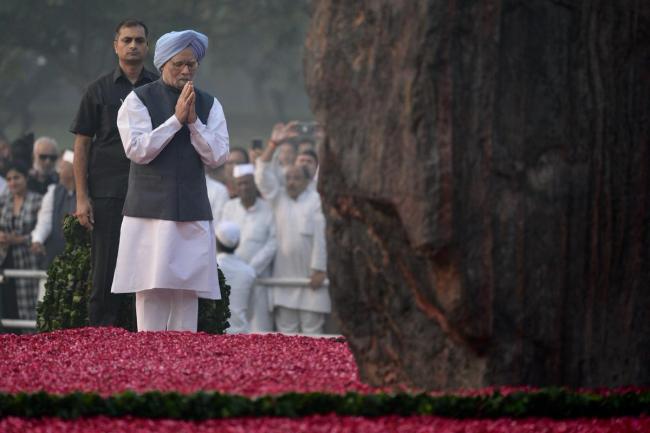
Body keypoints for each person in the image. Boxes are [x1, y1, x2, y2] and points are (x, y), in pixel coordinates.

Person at [111, 29, 229, 332]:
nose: (186, 70)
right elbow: (138, 150)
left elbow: (218, 156)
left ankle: (182, 361)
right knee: (150, 291)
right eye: (179, 64)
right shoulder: (138, 100)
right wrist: (175, 121)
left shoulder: (209, 104)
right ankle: (149, 359)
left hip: (191, 210)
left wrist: (194, 123)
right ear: (163, 63)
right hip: (148, 213)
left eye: (192, 64)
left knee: (186, 294)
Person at [70, 19, 158, 326]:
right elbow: (81, 145)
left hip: (150, 192)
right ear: (116, 46)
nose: (133, 45)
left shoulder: (159, 88)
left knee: (149, 270)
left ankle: (146, 339)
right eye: (127, 40)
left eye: (139, 40)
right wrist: (82, 197)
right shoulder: (98, 90)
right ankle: (101, 340)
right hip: (107, 191)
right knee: (105, 270)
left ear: (147, 46)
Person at [255, 123, 330, 334]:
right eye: (288, 178)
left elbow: (322, 237)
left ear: (307, 181)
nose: (291, 182)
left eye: (297, 178)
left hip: (312, 282)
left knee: (314, 340)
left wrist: (320, 268)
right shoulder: (278, 198)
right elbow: (262, 176)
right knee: (285, 340)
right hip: (284, 282)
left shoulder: (316, 200)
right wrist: (273, 144)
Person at [222, 163, 277, 331]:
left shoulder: (268, 209)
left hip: (259, 279)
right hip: (233, 280)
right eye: (240, 184)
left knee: (260, 329)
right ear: (235, 186)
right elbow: (222, 238)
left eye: (247, 183)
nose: (244, 187)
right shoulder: (229, 208)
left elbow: (272, 242)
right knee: (232, 327)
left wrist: (251, 269)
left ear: (255, 184)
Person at [0, 162, 42, 320]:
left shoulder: (37, 200)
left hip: (28, 261)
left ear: (26, 178)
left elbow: (42, 232)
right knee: (8, 308)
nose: (12, 182)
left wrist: (19, 239)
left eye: (16, 177)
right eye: (9, 179)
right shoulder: (4, 200)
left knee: (29, 309)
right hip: (5, 260)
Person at [31, 150, 76, 268]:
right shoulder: (53, 192)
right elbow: (44, 221)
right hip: (57, 256)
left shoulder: (87, 193)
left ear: (72, 170)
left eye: (62, 167)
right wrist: (38, 240)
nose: (59, 171)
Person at [215, 221, 256, 334]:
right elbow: (250, 311)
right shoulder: (249, 271)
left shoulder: (210, 268)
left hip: (215, 334)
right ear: (238, 243)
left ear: (216, 241)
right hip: (241, 333)